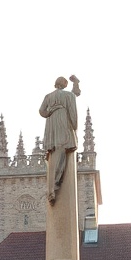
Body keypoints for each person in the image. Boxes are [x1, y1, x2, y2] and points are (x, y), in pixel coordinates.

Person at [38, 75, 81, 204]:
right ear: (64, 85)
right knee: (62, 150)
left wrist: (50, 112)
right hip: (63, 124)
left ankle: (52, 187)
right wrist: (74, 126)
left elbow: (41, 111)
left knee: (55, 152)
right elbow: (74, 99)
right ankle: (55, 185)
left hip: (51, 127)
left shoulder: (49, 96)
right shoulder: (68, 96)